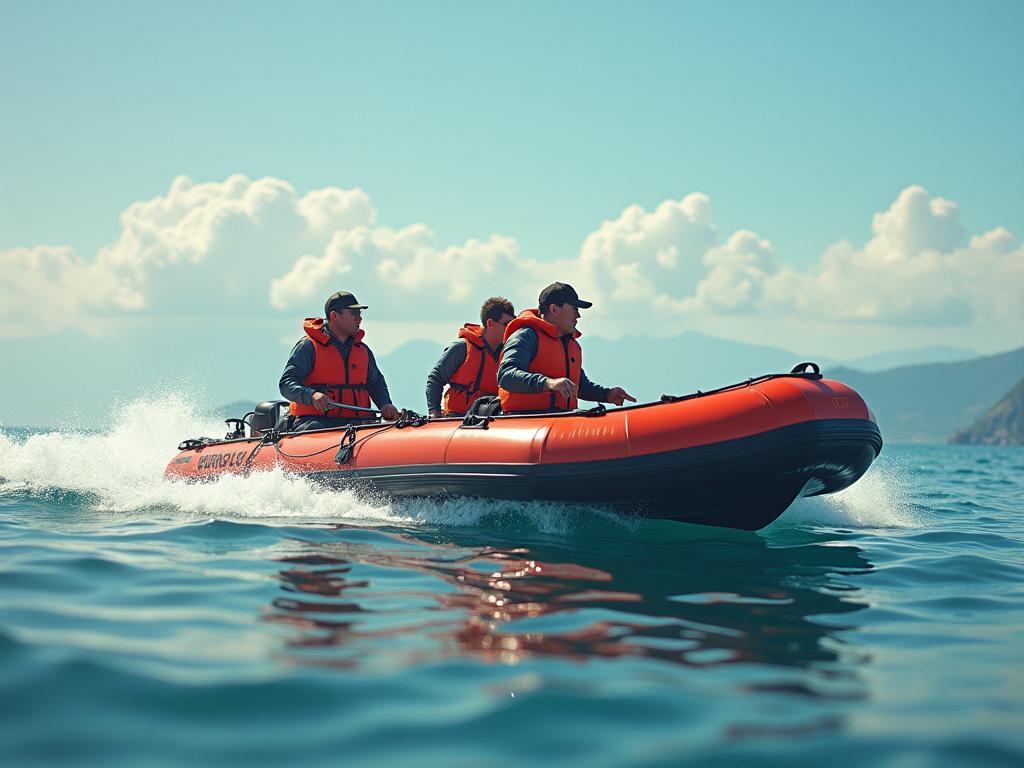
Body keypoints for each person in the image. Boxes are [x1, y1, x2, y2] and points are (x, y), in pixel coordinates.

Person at [497, 282, 636, 413]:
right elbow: (506, 375)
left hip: (562, 424)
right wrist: (548, 383)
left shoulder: (571, 345)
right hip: (527, 424)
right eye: (574, 308)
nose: (579, 315)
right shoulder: (526, 336)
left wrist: (607, 395)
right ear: (554, 309)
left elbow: (579, 387)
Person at [279, 291, 401, 431]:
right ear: (334, 316)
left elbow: (375, 383)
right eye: (353, 314)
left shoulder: (362, 350)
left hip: (356, 423)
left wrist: (385, 404)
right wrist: (312, 395)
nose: (359, 319)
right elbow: (286, 384)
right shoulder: (308, 347)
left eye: (359, 314)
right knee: (318, 430)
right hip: (315, 423)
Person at [425, 297, 516, 418]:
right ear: (490, 323)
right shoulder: (462, 347)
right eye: (507, 324)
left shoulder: (510, 351)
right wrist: (434, 411)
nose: (511, 328)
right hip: (458, 418)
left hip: (492, 418)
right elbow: (435, 379)